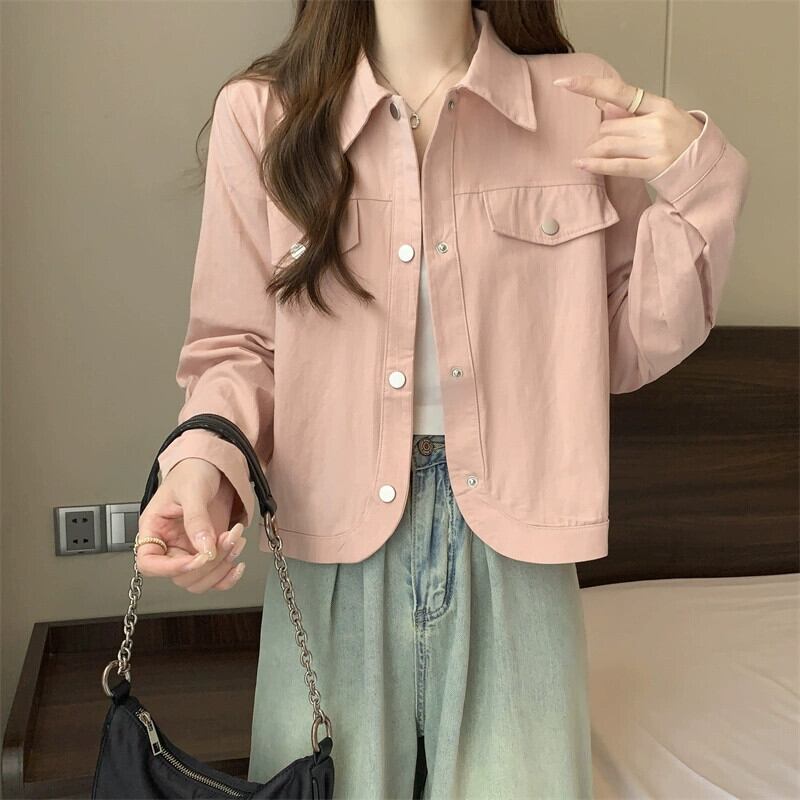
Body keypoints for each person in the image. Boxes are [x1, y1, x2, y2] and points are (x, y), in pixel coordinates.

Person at [135, 1, 750, 797]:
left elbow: (627, 342)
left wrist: (698, 178)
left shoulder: (576, 99)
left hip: (521, 544)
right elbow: (237, 346)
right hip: (333, 537)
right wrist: (201, 468)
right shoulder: (262, 114)